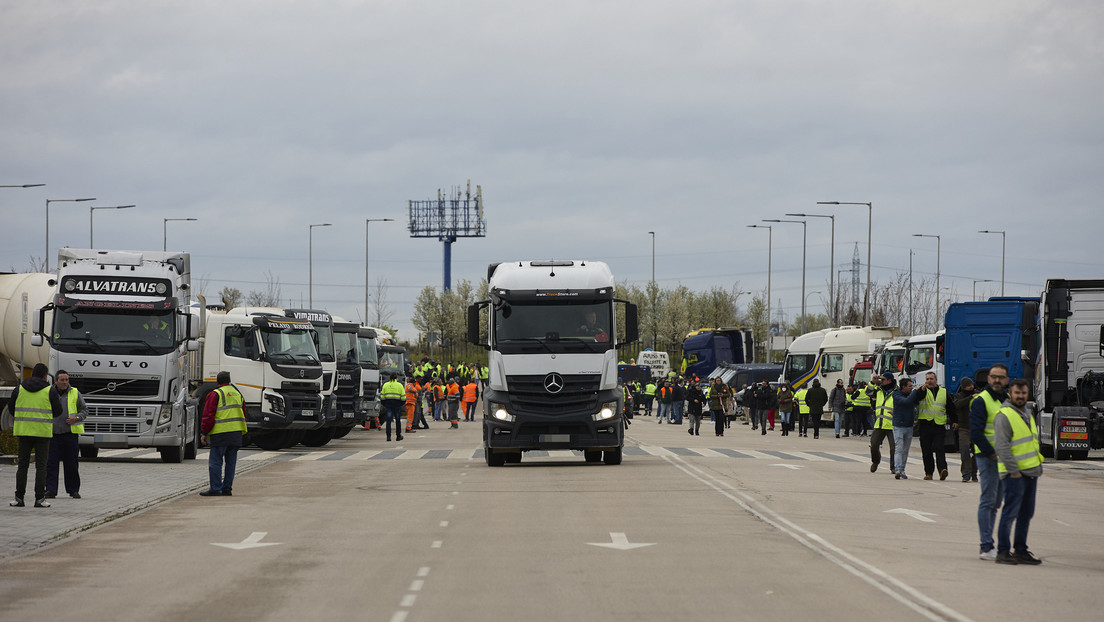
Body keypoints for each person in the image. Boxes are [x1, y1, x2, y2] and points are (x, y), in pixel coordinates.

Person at [993, 378, 1043, 565]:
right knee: (1010, 513)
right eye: (1017, 393)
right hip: (1014, 474)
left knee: (1026, 514)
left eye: (1023, 393)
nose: (1020, 396)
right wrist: (1014, 471)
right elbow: (1002, 446)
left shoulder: (1026, 413)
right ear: (1010, 394)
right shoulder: (1004, 415)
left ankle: (1020, 550)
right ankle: (1003, 551)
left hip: (1031, 472)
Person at [9, 363, 64, 508]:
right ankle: (39, 499)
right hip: (42, 433)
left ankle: (19, 498)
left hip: (23, 431)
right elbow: (58, 411)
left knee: (22, 466)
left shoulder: (19, 388)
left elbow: (11, 408)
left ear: (32, 373)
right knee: (41, 466)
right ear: (45, 375)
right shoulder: (49, 390)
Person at [971, 364, 1010, 560]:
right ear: (988, 379)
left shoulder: (1007, 400)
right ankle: (985, 546)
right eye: (993, 377)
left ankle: (991, 545)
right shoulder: (981, 401)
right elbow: (976, 432)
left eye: (1000, 377)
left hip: (1005, 459)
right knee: (988, 501)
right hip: (988, 458)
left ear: (1007, 380)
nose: (997, 380)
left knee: (996, 503)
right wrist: (991, 453)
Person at [199, 371, 246, 497]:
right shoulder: (238, 393)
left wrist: (204, 432)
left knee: (215, 462)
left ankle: (215, 488)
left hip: (220, 433)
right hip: (236, 433)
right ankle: (227, 489)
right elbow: (244, 413)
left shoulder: (215, 394)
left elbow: (208, 415)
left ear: (217, 381)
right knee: (231, 463)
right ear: (229, 381)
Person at [46, 370, 87, 499]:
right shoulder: (48, 392)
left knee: (71, 464)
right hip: (52, 434)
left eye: (66, 380)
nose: (65, 382)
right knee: (51, 463)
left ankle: (73, 490)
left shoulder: (75, 392)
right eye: (62, 380)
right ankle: (51, 490)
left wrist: (77, 418)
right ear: (56, 381)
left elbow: (84, 409)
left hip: (70, 435)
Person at [917, 371, 955, 480]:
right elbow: (917, 398)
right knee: (926, 450)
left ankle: (943, 470)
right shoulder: (922, 391)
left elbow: (951, 407)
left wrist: (954, 421)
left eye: (931, 379)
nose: (929, 381)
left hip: (939, 425)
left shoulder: (943, 392)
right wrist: (922, 389)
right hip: (925, 425)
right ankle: (929, 473)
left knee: (939, 448)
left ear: (936, 380)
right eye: (927, 379)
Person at [891, 376, 924, 479]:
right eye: (910, 386)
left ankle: (902, 469)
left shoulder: (911, 395)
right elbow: (906, 402)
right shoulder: (896, 395)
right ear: (903, 387)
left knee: (905, 450)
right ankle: (897, 469)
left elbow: (917, 399)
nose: (911, 388)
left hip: (909, 425)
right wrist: (915, 391)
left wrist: (921, 390)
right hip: (898, 426)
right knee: (899, 448)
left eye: (912, 386)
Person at [868, 372, 897, 474]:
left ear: (889, 380)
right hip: (879, 424)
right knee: (874, 445)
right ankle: (875, 461)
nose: (880, 381)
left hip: (892, 424)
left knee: (894, 448)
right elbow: (868, 392)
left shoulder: (896, 391)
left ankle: (893, 467)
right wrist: (872, 382)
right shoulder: (878, 390)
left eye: (882, 379)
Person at [953, 377, 978, 482]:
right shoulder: (958, 396)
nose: (971, 387)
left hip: (976, 427)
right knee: (964, 449)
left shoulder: (978, 394)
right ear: (963, 387)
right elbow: (957, 405)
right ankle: (966, 473)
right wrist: (970, 398)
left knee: (977, 452)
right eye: (968, 386)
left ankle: (974, 472)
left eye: (971, 385)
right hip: (964, 427)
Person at [379, 374, 406, 442]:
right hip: (397, 404)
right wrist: (401, 404)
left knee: (388, 421)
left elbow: (382, 396)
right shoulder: (400, 385)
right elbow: (403, 397)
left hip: (388, 404)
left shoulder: (385, 385)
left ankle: (388, 436)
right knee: (397, 420)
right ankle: (398, 436)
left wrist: (384, 404)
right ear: (396, 378)